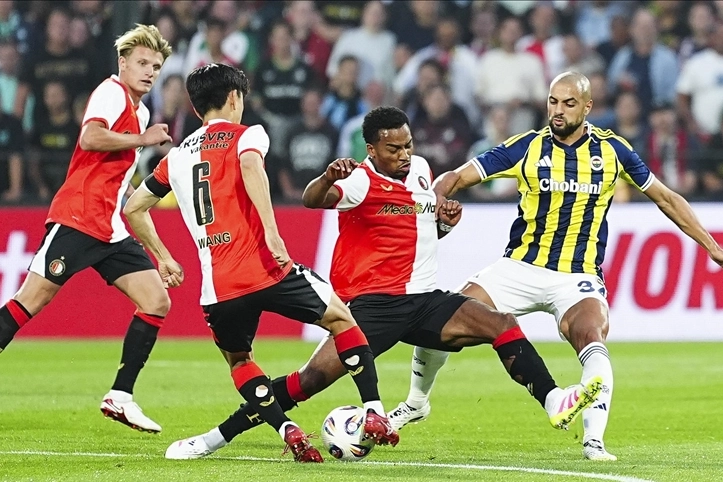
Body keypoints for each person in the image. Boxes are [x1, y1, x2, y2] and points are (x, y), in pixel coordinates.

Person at [162, 106, 603, 461]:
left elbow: (418, 232)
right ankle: (216, 437)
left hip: (424, 300)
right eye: (394, 149)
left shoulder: (422, 170)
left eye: (408, 145)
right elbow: (313, 201)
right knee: (307, 381)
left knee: (501, 323)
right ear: (371, 149)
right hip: (373, 307)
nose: (405, 155)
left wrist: (444, 225)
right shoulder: (358, 180)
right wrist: (327, 178)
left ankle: (553, 401)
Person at [387, 72, 723, 462]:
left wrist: (712, 246)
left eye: (568, 103)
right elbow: (458, 176)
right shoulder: (527, 147)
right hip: (519, 268)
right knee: (447, 318)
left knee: (591, 334)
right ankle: (416, 402)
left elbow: (665, 198)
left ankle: (594, 440)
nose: (557, 110)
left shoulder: (612, 151)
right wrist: (435, 199)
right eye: (552, 101)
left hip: (577, 276)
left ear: (587, 107)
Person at [123, 63, 398, 463]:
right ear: (234, 98)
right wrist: (271, 231)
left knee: (240, 361)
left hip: (218, 287)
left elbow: (133, 207)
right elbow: (251, 166)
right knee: (342, 320)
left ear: (196, 108)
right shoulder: (248, 134)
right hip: (267, 267)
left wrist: (163, 257)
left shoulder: (175, 157)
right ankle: (373, 410)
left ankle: (287, 430)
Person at [0, 25, 173, 433]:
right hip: (78, 218)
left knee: (156, 300)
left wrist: (162, 254)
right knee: (30, 301)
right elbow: (91, 137)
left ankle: (120, 396)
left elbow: (124, 185)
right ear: (123, 63)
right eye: (143, 63)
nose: (149, 72)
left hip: (110, 227)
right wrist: (143, 139)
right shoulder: (110, 92)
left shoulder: (141, 112)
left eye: (156, 67)